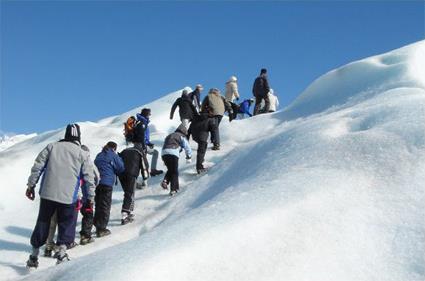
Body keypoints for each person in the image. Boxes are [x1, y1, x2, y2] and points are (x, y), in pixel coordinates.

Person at [25, 123, 96, 268]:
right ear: (79, 137)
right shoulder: (82, 154)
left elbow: (38, 166)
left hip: (47, 193)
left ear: (66, 135)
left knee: (43, 222)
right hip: (69, 196)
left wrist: (31, 185)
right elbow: (89, 178)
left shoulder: (52, 147)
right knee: (67, 223)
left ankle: (34, 256)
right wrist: (90, 198)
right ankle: (62, 253)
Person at [93, 141, 125, 238]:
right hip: (107, 183)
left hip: (97, 183)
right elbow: (121, 168)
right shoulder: (113, 155)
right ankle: (102, 229)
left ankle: (97, 225)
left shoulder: (99, 155)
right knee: (105, 205)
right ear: (114, 148)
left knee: (98, 205)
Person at [118, 145, 149, 225]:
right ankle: (125, 214)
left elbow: (118, 160)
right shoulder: (140, 152)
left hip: (121, 174)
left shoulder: (124, 151)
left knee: (127, 192)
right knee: (129, 193)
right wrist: (145, 178)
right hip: (131, 173)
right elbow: (144, 166)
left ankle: (128, 211)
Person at [161, 124, 192, 196]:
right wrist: (189, 156)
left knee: (171, 169)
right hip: (173, 152)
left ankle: (165, 181)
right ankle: (174, 189)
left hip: (164, 153)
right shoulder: (181, 136)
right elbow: (187, 147)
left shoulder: (170, 135)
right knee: (175, 172)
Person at [79, 145, 99, 245]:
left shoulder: (74, 161)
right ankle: (86, 236)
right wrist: (94, 188)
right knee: (88, 214)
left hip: (75, 195)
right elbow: (97, 176)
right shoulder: (89, 162)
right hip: (87, 194)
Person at [136, 108, 163, 180]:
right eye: (149, 114)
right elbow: (141, 136)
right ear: (146, 114)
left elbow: (144, 136)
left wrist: (148, 143)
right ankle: (149, 173)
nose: (149, 116)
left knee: (153, 154)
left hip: (141, 144)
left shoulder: (141, 121)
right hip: (141, 145)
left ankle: (148, 172)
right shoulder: (142, 123)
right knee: (144, 161)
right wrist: (144, 145)